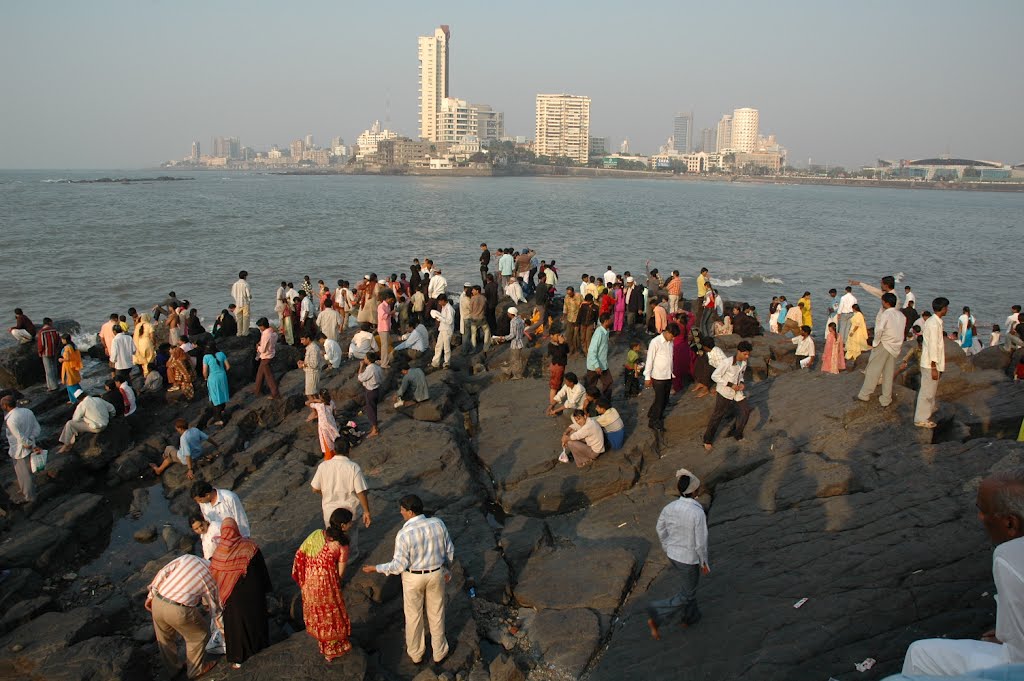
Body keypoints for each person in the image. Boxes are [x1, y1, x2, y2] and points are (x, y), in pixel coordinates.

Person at [901, 467, 1024, 675]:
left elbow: (1019, 656)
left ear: (1010, 523)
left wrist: (1008, 638)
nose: (980, 517)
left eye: (983, 510)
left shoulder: (1008, 556)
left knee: (919, 655)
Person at [361, 495, 455, 666]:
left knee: (413, 616)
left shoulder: (404, 534)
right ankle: (439, 652)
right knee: (437, 613)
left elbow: (398, 566)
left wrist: (376, 568)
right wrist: (446, 569)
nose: (400, 512)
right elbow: (449, 550)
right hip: (436, 573)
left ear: (410, 512)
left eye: (402, 510)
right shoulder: (438, 523)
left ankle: (416, 654)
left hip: (413, 577)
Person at [646, 468, 709, 640]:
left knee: (689, 587)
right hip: (688, 559)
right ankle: (657, 611)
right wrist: (704, 562)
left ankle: (690, 617)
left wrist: (667, 546)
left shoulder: (670, 507)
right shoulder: (697, 512)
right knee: (688, 592)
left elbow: (660, 529)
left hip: (673, 554)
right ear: (695, 491)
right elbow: (701, 542)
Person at [291, 509, 357, 663]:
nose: (351, 524)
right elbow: (340, 571)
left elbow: (300, 554)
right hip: (326, 584)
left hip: (309, 582)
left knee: (317, 614)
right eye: (349, 522)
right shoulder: (342, 544)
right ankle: (331, 649)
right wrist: (336, 583)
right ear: (343, 525)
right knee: (331, 614)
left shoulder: (316, 534)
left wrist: (304, 576)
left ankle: (323, 643)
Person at [209, 518, 271, 669]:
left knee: (236, 627)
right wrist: (266, 588)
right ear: (236, 529)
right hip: (253, 593)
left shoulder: (219, 553)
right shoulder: (249, 547)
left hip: (231, 597)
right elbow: (261, 569)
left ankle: (238, 658)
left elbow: (215, 575)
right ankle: (259, 647)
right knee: (256, 621)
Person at [146, 553, 220, 679]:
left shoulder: (188, 558)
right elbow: (215, 608)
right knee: (199, 636)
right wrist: (221, 627)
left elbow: (163, 572)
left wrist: (151, 595)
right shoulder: (212, 576)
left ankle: (174, 669)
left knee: (164, 639)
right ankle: (195, 671)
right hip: (178, 610)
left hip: (158, 601)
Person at [311, 437, 372, 559]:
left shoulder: (323, 466)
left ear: (334, 450)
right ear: (348, 450)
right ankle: (350, 559)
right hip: (350, 512)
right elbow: (361, 491)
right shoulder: (353, 467)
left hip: (330, 513)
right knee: (351, 537)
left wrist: (327, 494)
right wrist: (366, 511)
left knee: (332, 539)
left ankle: (334, 559)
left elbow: (315, 488)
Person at [856, 293, 906, 406]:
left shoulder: (886, 314)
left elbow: (879, 330)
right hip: (895, 346)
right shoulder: (901, 316)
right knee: (888, 373)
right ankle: (886, 398)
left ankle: (865, 394)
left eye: (882, 301)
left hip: (884, 343)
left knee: (873, 370)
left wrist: (875, 342)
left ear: (886, 303)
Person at [703, 340, 753, 450]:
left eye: (748, 354)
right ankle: (707, 440)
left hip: (737, 391)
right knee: (718, 415)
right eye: (745, 354)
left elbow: (741, 376)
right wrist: (730, 384)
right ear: (738, 351)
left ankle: (738, 433)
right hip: (725, 391)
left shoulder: (744, 363)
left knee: (745, 411)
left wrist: (742, 383)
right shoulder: (727, 362)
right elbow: (715, 376)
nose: (747, 356)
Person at [915, 297, 949, 429]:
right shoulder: (934, 324)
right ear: (943, 308)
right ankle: (921, 418)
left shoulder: (934, 322)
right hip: (930, 363)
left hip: (931, 362)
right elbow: (933, 346)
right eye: (946, 307)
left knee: (930, 390)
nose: (947, 310)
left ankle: (926, 413)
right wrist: (934, 367)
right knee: (927, 392)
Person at [2, 396, 41, 503]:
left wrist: (27, 443)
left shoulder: (10, 420)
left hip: (19, 449)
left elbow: (19, 436)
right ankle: (28, 490)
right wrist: (32, 440)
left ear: (6, 406)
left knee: (24, 474)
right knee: (28, 472)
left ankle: (29, 497)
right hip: (29, 444)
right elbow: (37, 428)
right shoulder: (27, 411)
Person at [56, 388, 115, 453]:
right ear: (85, 394)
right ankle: (69, 442)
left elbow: (75, 419)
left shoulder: (82, 405)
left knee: (70, 424)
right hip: (105, 423)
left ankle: (66, 445)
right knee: (82, 419)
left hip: (97, 428)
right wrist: (111, 417)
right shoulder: (98, 399)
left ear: (78, 399)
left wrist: (84, 418)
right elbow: (112, 408)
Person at [645, 323, 677, 432]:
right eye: (672, 336)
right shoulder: (655, 342)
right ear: (667, 332)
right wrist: (647, 376)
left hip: (668, 374)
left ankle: (652, 413)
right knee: (660, 400)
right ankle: (654, 421)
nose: (672, 338)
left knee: (665, 398)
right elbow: (650, 360)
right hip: (658, 376)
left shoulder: (670, 342)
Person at [306, 389, 340, 460]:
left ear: (320, 397)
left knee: (327, 445)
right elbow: (335, 413)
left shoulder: (318, 405)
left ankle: (330, 459)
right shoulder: (331, 403)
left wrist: (315, 400)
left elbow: (306, 403)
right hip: (332, 425)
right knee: (335, 442)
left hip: (324, 429)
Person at [494, 306, 527, 379]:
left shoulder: (513, 322)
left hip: (515, 343)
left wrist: (503, 338)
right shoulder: (520, 319)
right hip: (520, 341)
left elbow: (513, 335)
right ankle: (510, 371)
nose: (508, 315)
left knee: (516, 360)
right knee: (515, 359)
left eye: (508, 313)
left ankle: (517, 375)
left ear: (511, 314)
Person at [202, 342, 231, 426]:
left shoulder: (206, 357)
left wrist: (205, 378)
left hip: (213, 378)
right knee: (222, 393)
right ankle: (222, 410)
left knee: (215, 397)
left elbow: (204, 371)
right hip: (222, 376)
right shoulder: (221, 354)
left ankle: (218, 419)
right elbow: (228, 366)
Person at [586, 313, 614, 398]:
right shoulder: (599, 333)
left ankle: (604, 402)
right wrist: (596, 366)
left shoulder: (606, 331)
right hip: (594, 366)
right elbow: (591, 351)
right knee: (591, 387)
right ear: (606, 321)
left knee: (608, 382)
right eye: (610, 319)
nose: (611, 320)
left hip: (602, 364)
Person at [251, 318, 280, 399]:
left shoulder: (265, 334)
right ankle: (257, 390)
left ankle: (275, 393)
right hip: (270, 354)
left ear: (263, 326)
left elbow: (263, 349)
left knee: (268, 376)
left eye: (260, 326)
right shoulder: (273, 333)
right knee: (260, 374)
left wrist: (258, 347)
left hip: (266, 356)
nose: (260, 328)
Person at [358, 351, 383, 437]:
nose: (364, 359)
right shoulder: (377, 367)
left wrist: (361, 367)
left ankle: (375, 429)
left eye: (365, 358)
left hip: (370, 391)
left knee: (371, 411)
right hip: (376, 390)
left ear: (368, 359)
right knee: (373, 409)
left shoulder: (370, 368)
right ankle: (374, 427)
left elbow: (360, 378)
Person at [35, 318, 61, 391]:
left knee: (48, 370)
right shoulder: (54, 330)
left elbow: (41, 344)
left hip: (45, 353)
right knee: (54, 368)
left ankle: (52, 386)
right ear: (49, 322)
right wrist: (56, 349)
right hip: (54, 351)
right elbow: (58, 341)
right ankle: (56, 383)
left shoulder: (41, 332)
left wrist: (40, 352)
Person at [430, 294, 455, 369]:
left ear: (443, 301)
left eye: (440, 302)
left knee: (446, 347)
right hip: (442, 328)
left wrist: (440, 318)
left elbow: (449, 321)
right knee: (438, 345)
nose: (439, 303)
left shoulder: (449, 309)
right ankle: (435, 362)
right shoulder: (444, 307)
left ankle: (447, 362)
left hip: (447, 330)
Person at [59, 333, 83, 403]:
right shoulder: (73, 346)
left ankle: (75, 399)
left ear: (65, 340)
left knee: (70, 383)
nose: (62, 341)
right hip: (73, 365)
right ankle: (73, 399)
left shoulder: (67, 348)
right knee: (73, 381)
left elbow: (67, 358)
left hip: (68, 366)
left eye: (62, 339)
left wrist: (61, 360)